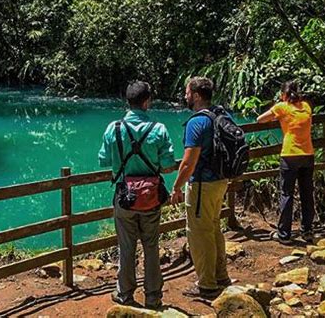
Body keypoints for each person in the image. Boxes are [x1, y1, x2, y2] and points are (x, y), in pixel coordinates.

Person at [98, 81, 177, 309]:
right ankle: (153, 297)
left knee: (126, 247)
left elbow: (104, 160)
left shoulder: (113, 128)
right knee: (151, 246)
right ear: (147, 101)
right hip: (151, 198)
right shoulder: (159, 129)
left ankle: (125, 294)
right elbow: (169, 165)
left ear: (127, 102)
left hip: (124, 198)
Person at [170, 76, 230, 299]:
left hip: (202, 184)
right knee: (213, 227)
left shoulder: (197, 122)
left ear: (195, 95)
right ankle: (221, 275)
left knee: (198, 233)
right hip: (221, 181)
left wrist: (176, 187)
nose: (185, 96)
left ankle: (206, 284)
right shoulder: (222, 114)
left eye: (187, 93)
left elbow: (188, 162)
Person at [257, 80, 315, 244]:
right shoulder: (306, 107)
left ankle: (284, 234)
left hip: (290, 155)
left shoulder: (282, 107)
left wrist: (278, 110)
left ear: (283, 95)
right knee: (306, 193)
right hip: (308, 154)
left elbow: (260, 119)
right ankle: (307, 231)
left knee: (286, 194)